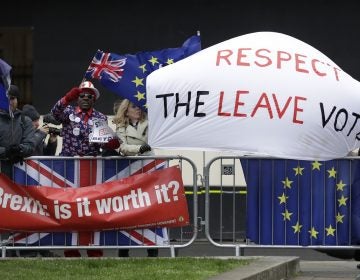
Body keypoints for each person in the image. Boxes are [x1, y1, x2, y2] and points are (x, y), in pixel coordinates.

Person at [51, 81, 120, 257]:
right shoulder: (68, 112)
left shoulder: (100, 117)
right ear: (77, 98)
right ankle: (71, 249)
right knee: (68, 209)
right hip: (68, 167)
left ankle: (94, 248)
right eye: (82, 95)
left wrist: (111, 142)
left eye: (89, 96)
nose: (85, 98)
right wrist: (67, 97)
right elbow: (54, 113)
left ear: (94, 99)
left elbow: (107, 141)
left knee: (91, 209)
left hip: (91, 167)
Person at [113, 99, 157, 257]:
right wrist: (140, 148)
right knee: (128, 211)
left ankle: (153, 250)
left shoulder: (150, 123)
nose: (138, 109)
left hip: (149, 171)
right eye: (134, 107)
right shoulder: (121, 126)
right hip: (130, 172)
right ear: (126, 110)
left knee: (150, 211)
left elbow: (156, 140)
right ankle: (123, 251)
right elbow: (122, 147)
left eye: (139, 106)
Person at [0, 85, 35, 257]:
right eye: (7, 98)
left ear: (17, 100)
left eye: (13, 98)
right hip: (2, 175)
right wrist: (4, 152)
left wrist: (19, 150)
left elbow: (31, 143)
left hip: (21, 177)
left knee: (21, 212)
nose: (10, 102)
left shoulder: (25, 120)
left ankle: (22, 248)